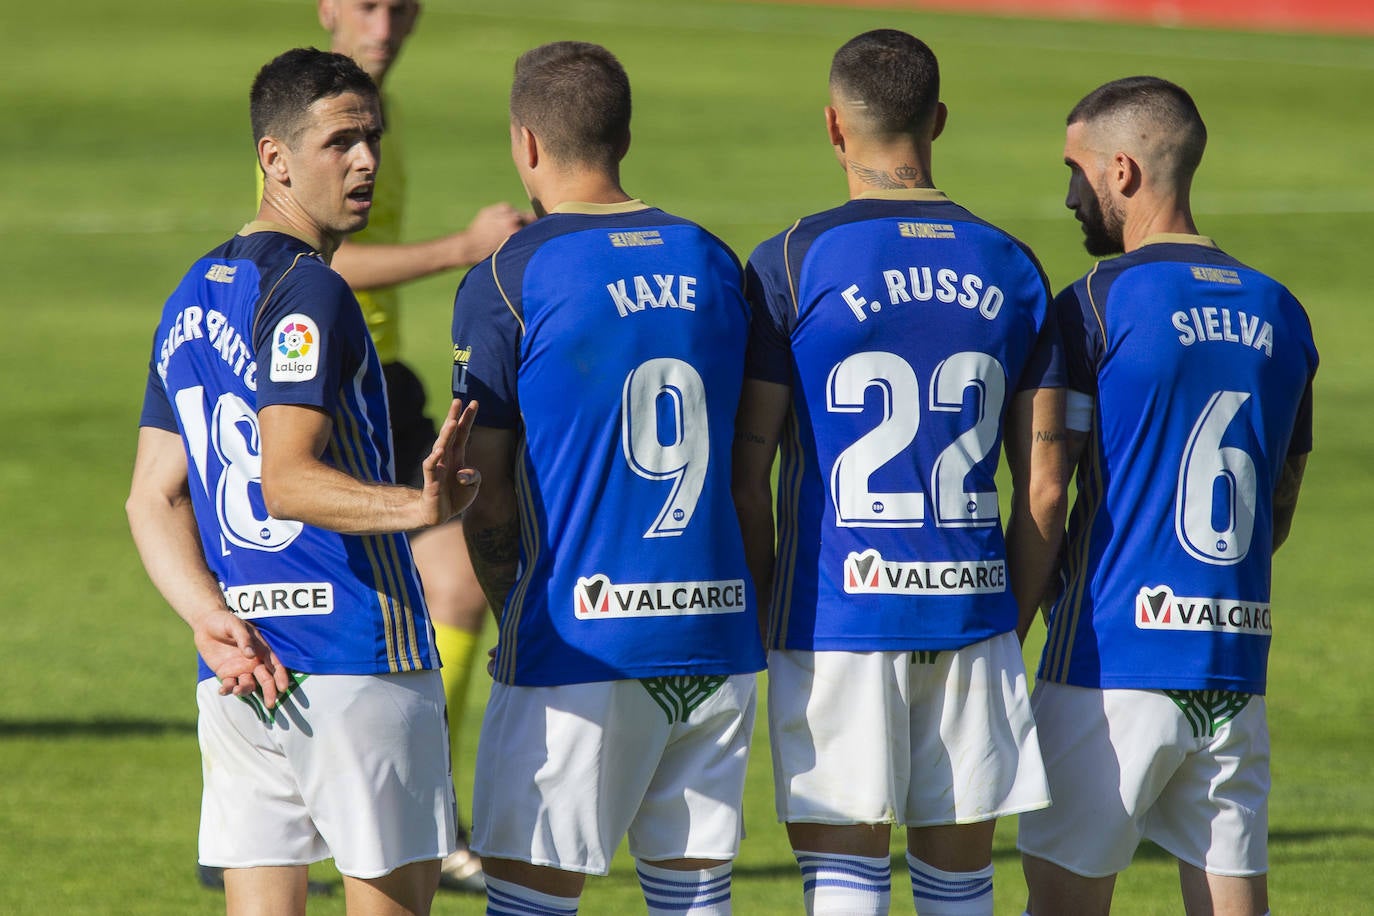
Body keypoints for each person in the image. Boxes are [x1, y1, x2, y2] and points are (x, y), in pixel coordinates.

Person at [126, 47, 481, 915]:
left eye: (373, 139)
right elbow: (287, 481)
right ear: (274, 159)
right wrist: (418, 505)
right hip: (359, 663)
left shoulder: (193, 292)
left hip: (245, 669)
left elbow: (152, 495)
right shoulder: (311, 291)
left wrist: (211, 621)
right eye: (340, 143)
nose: (366, 161)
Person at [732, 29, 1068, 916]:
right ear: (939, 121)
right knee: (960, 888)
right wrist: (1005, 620)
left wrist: (774, 609)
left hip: (835, 611)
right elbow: (1043, 485)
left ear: (835, 128)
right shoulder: (1015, 266)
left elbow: (749, 465)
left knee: (844, 888)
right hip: (973, 612)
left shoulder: (791, 261)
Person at [451, 40, 766, 916]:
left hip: (576, 644)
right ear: (624, 135)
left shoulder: (511, 275)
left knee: (531, 901)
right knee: (694, 903)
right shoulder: (712, 259)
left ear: (525, 143)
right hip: (714, 636)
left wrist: (513, 596)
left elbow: (485, 484)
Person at [239, 1, 524, 893]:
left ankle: (410, 803)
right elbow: (308, 260)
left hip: (380, 377)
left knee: (456, 588)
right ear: (326, 7)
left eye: (402, 6)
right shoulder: (309, 116)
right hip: (320, 388)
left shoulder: (364, 114)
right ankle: (356, 802)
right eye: (368, 4)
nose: (388, 20)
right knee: (363, 593)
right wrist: (464, 249)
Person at [1017, 76, 1318, 916]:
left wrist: (1005, 639)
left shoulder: (1094, 307)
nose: (1068, 194)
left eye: (1075, 170)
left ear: (1121, 171)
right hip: (1231, 664)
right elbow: (1279, 508)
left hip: (1107, 669)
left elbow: (1047, 498)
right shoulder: (1281, 313)